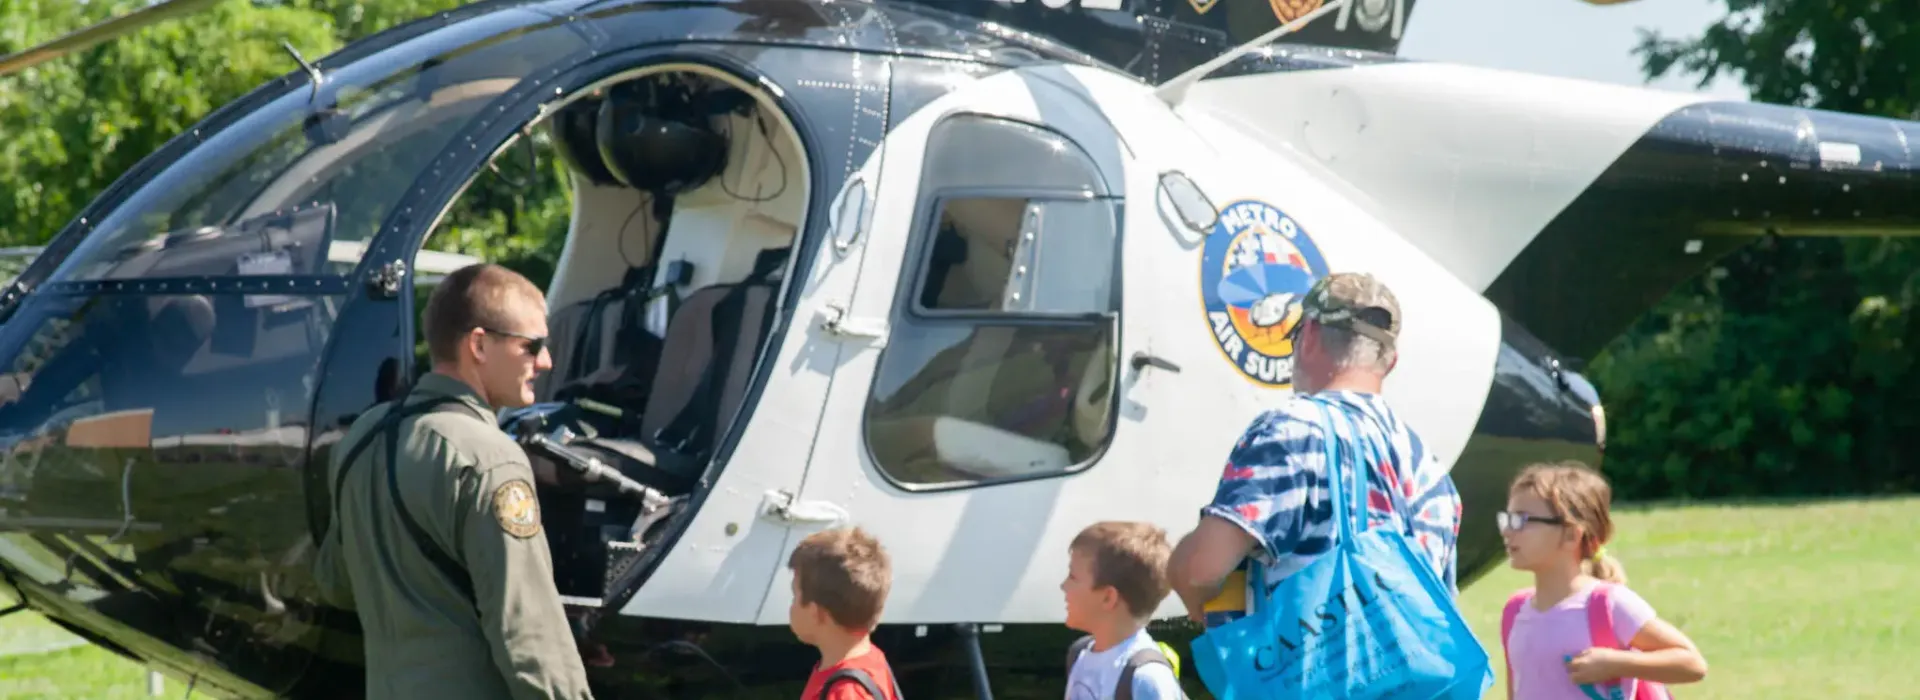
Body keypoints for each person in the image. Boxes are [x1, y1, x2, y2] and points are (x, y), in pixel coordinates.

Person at [312, 263, 594, 700]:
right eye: (532, 345)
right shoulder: (491, 459)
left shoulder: (362, 436)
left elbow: (336, 582)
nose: (546, 361)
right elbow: (526, 629)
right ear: (479, 344)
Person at [1165, 271, 1463, 629]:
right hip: (1411, 681)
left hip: (1310, 679)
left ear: (1307, 336)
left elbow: (1200, 570)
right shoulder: (1430, 467)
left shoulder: (1292, 432)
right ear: (1390, 362)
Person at [1497, 461, 1707, 700]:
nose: (1507, 531)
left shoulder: (1607, 603)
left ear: (1571, 535)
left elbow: (1692, 663)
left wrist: (1618, 663)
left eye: (1522, 520)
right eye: (1508, 519)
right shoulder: (1515, 611)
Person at [1061, 521, 1188, 700]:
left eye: (1073, 577)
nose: (1063, 586)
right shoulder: (1080, 655)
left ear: (1108, 597)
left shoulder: (1146, 677)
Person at [788, 526, 902, 700]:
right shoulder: (871, 658)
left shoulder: (847, 693)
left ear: (815, 613)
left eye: (794, 596)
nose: (791, 606)